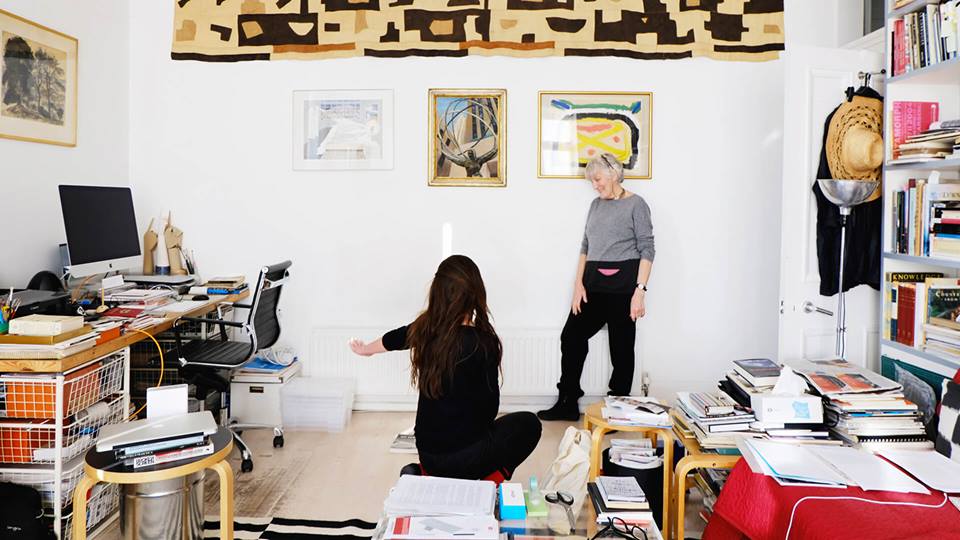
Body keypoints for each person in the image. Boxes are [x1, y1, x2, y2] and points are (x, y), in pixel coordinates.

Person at [349, 255, 542, 480]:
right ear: (475, 294)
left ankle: (424, 473)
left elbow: (395, 339)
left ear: (438, 291)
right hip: (466, 458)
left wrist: (367, 349)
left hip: (428, 455)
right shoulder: (483, 342)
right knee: (529, 424)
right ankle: (487, 482)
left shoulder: (426, 328)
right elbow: (490, 409)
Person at [538, 153, 656, 421]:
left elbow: (647, 249)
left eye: (598, 179)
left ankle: (618, 410)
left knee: (621, 350)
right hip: (592, 286)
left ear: (614, 173)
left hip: (623, 290)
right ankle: (568, 402)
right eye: (592, 181)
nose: (595, 185)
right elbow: (586, 246)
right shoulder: (595, 205)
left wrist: (640, 292)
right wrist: (578, 284)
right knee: (571, 337)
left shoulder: (636, 204)